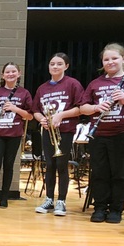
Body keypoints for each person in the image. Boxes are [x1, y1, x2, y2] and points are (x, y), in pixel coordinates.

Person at [79, 43, 124, 224]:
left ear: (123, 59)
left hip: (123, 133)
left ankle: (116, 208)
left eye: (114, 58)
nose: (110, 62)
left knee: (119, 173)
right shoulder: (96, 83)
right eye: (106, 59)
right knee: (99, 173)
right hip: (99, 134)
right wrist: (96, 107)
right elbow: (83, 107)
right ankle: (100, 207)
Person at [31, 53, 84, 217]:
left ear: (66, 66)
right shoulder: (42, 88)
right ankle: (48, 199)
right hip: (48, 132)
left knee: (61, 166)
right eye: (52, 64)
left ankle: (61, 200)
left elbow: (80, 108)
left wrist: (61, 115)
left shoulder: (72, 84)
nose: (55, 66)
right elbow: (35, 110)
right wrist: (42, 119)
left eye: (59, 64)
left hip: (65, 131)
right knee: (49, 165)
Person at [0, 62, 34, 209]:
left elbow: (29, 116)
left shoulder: (24, 93)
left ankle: (4, 197)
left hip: (14, 135)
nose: (10, 74)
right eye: (7, 72)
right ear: (3, 75)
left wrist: (15, 109)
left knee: (9, 166)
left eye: (13, 71)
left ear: (19, 73)